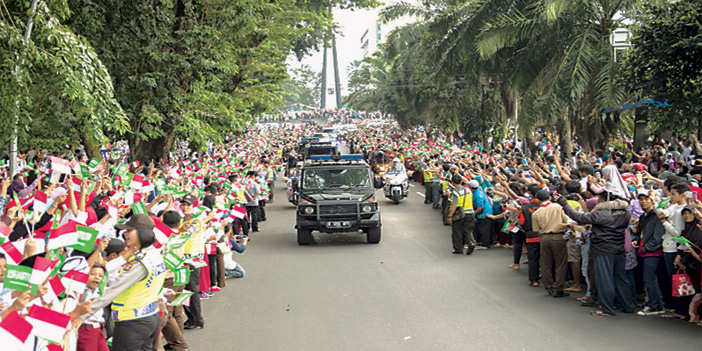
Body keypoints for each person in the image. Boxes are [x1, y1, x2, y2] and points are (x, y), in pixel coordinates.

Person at [80, 214, 166, 351]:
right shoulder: (153, 255)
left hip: (133, 322)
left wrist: (80, 316)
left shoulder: (139, 262)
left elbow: (112, 291)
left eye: (129, 230)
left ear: (141, 233)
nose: (124, 234)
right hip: (149, 316)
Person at [556, 191, 636, 316]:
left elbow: (578, 217)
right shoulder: (624, 213)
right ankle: (628, 305)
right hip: (619, 249)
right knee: (621, 279)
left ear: (602, 199)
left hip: (603, 249)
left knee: (605, 279)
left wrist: (564, 203)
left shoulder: (601, 214)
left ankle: (607, 308)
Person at [632, 189, 666, 316]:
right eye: (641, 199)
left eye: (646, 199)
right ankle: (656, 305)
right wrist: (636, 241)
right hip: (643, 251)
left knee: (649, 279)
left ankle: (654, 306)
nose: (643, 202)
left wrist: (645, 248)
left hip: (653, 252)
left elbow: (657, 238)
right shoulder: (643, 216)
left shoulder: (657, 215)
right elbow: (639, 233)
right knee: (649, 279)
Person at [532, 189, 570, 297]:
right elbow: (567, 220)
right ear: (549, 197)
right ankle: (558, 287)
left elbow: (536, 230)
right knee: (561, 263)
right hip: (558, 236)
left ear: (538, 199)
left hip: (544, 237)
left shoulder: (536, 213)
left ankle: (548, 286)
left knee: (545, 264)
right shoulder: (557, 207)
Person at [447, 175, 476, 255]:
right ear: (461, 182)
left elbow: (454, 205)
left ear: (452, 182)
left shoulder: (455, 192)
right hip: (470, 212)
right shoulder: (468, 190)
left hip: (459, 214)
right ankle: (471, 243)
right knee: (468, 230)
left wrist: (449, 216)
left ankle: (458, 249)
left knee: (457, 231)